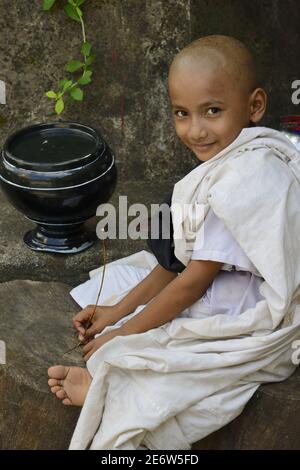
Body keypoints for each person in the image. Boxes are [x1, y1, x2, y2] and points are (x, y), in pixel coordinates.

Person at [47, 35, 300, 450]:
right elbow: (175, 266)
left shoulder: (244, 180)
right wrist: (114, 312)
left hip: (243, 314)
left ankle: (106, 392)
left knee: (155, 357)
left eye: (212, 111)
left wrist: (122, 332)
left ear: (254, 106)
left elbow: (192, 282)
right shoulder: (229, 165)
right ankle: (105, 384)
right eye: (182, 113)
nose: (196, 129)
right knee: (139, 335)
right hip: (219, 292)